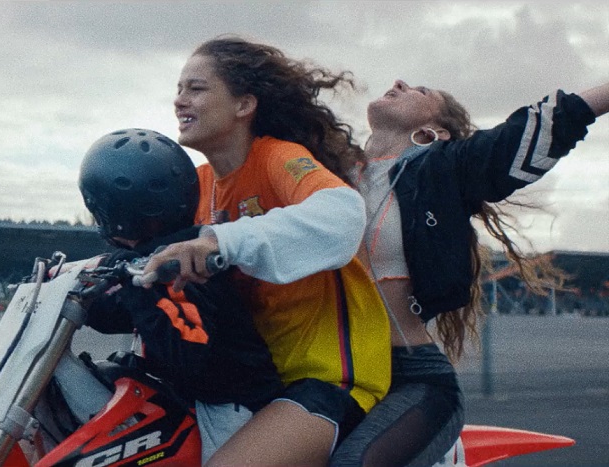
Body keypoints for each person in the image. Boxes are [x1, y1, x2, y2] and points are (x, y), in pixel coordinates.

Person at [142, 35, 392, 466]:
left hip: (326, 379)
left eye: (196, 88)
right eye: (179, 89)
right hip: (253, 382)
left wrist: (222, 241)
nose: (180, 100)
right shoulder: (197, 184)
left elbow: (343, 214)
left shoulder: (276, 157)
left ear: (244, 105)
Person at [331, 79, 609, 467]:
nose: (398, 83)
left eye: (421, 91)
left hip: (410, 378)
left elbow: (550, 123)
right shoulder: (327, 173)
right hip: (325, 370)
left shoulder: (446, 168)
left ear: (437, 131)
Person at [77, 128, 285, 463]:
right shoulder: (168, 254)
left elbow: (187, 350)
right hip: (199, 397)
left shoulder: (177, 267)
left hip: (230, 407)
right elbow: (126, 313)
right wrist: (83, 301)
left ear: (110, 211)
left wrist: (134, 285)